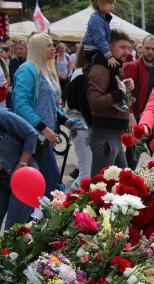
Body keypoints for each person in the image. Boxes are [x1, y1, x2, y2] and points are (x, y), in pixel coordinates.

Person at [12, 33, 76, 198]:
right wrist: (43, 127)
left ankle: (36, 220)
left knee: (48, 182)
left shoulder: (45, 70)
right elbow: (21, 105)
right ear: (38, 48)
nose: (53, 48)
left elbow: (50, 105)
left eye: (53, 44)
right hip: (32, 139)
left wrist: (65, 120)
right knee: (47, 182)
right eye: (48, 45)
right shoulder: (27, 70)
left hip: (44, 139)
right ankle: (35, 221)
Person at [86, 29, 134, 177]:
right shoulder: (101, 69)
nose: (126, 51)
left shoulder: (112, 67)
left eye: (128, 47)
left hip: (113, 135)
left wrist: (125, 88)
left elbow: (114, 94)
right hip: (105, 135)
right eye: (122, 47)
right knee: (99, 185)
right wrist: (119, 93)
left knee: (124, 181)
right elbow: (94, 103)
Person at [82, 0, 128, 112]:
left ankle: (119, 96)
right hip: (93, 51)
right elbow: (100, 39)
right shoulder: (95, 19)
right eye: (109, 3)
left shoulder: (102, 17)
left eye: (113, 3)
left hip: (97, 50)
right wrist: (109, 56)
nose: (112, 6)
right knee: (113, 65)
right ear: (99, 3)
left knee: (114, 67)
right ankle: (117, 98)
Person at [124, 35, 154, 169]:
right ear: (141, 48)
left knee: (153, 157)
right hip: (137, 118)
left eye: (153, 49)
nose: (150, 51)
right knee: (133, 156)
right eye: (147, 48)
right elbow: (126, 93)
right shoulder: (132, 66)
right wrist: (130, 115)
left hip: (152, 120)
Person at [0, 108, 38, 230]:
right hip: (2, 180)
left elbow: (31, 134)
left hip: (25, 178)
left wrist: (22, 164)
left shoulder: (2, 115)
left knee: (13, 231)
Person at [64, 45, 92, 190]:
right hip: (80, 124)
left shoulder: (79, 73)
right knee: (85, 174)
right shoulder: (81, 75)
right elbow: (84, 107)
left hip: (80, 123)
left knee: (87, 171)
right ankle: (61, 205)